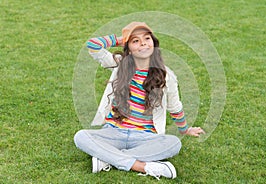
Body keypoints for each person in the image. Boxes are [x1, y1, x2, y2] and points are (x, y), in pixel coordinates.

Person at [74, 22, 205, 180]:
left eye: (147, 38)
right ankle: (143, 166)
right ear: (128, 47)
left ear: (153, 44)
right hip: (113, 131)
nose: (143, 43)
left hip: (145, 137)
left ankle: (107, 158)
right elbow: (93, 45)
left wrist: (185, 130)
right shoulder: (119, 63)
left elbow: (174, 107)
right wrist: (121, 39)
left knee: (174, 143)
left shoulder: (167, 75)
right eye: (136, 40)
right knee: (81, 136)